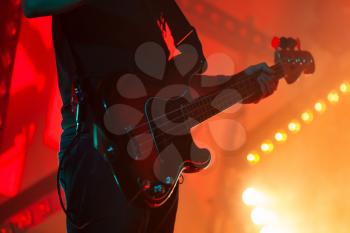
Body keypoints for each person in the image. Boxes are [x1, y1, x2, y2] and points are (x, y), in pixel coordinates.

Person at [22, 0, 279, 232]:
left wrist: (239, 84)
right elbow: (32, 5)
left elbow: (173, 86)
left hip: (159, 158)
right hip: (98, 142)